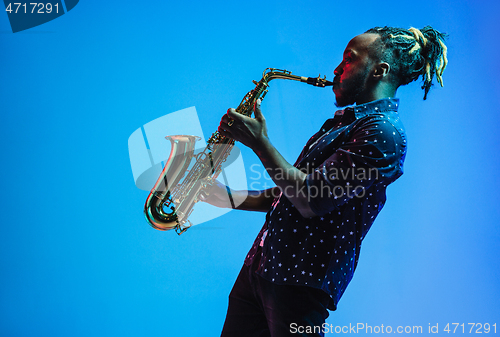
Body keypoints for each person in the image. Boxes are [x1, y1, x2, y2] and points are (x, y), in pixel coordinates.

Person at [203, 26, 448, 337]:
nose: (336, 69)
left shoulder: (384, 133)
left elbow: (310, 199)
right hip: (261, 268)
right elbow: (287, 194)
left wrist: (259, 143)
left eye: (349, 59)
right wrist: (221, 196)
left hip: (299, 284)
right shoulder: (341, 123)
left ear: (379, 70)